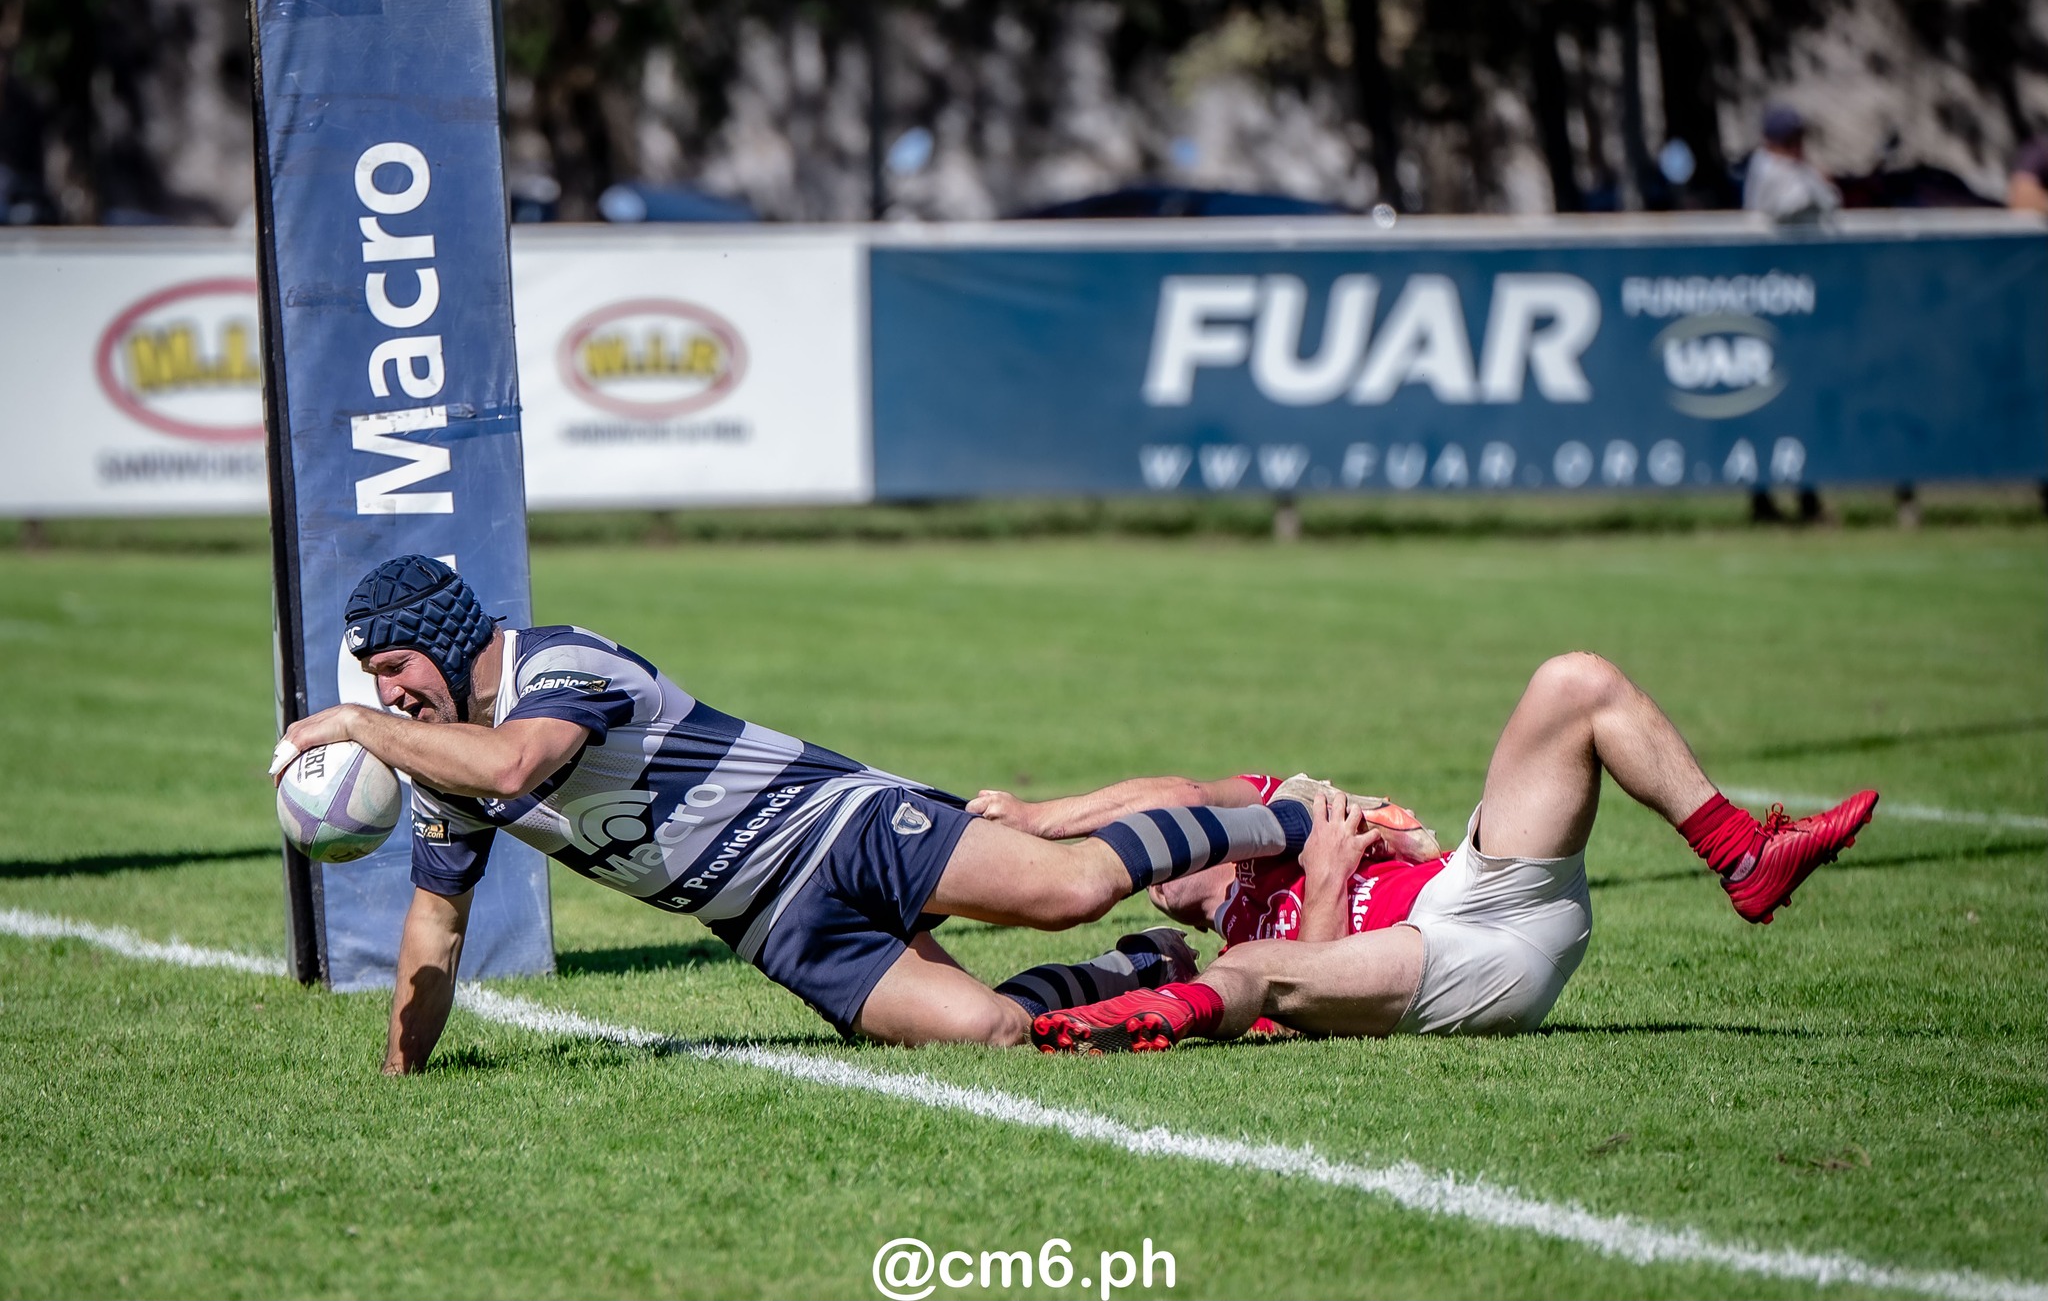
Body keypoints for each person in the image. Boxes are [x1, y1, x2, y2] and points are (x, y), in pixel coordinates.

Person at [275, 555, 1320, 1070]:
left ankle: (1290, 822)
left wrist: (357, 728)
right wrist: (400, 1076)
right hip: (773, 923)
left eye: (396, 669)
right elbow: (436, 925)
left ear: (447, 639)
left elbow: (516, 762)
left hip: (829, 822)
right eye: (373, 684)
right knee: (993, 1032)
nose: (389, 697)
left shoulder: (561, 664)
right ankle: (1142, 967)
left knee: (1068, 887)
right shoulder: (442, 768)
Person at [1003, 652, 1877, 1053]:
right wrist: (1328, 880)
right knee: (1258, 970)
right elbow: (1306, 1008)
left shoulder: (1282, 816)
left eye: (1157, 850)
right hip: (1450, 968)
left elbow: (1187, 793)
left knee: (1575, 683)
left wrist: (1044, 819)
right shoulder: (1237, 943)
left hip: (1481, 889)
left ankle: (1741, 855)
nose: (1159, 866)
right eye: (1150, 867)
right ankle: (1140, 1022)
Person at [1742, 103, 1840, 222]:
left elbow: (1831, 201)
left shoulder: (1798, 166)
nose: (1796, 148)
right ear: (1770, 143)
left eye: (1799, 140)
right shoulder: (1764, 164)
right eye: (1788, 142)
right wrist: (1818, 180)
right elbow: (1798, 201)